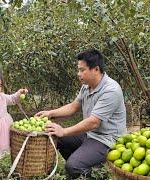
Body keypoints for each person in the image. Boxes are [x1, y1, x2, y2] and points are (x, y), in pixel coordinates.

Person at [36, 49, 127, 178]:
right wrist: (50, 113)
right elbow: (73, 107)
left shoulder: (111, 90)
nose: (78, 74)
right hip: (90, 135)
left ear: (96, 69)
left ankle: (101, 171)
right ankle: (82, 163)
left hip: (106, 140)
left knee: (73, 166)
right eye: (78, 70)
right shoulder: (87, 86)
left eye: (82, 70)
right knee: (56, 137)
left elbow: (94, 122)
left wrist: (64, 130)